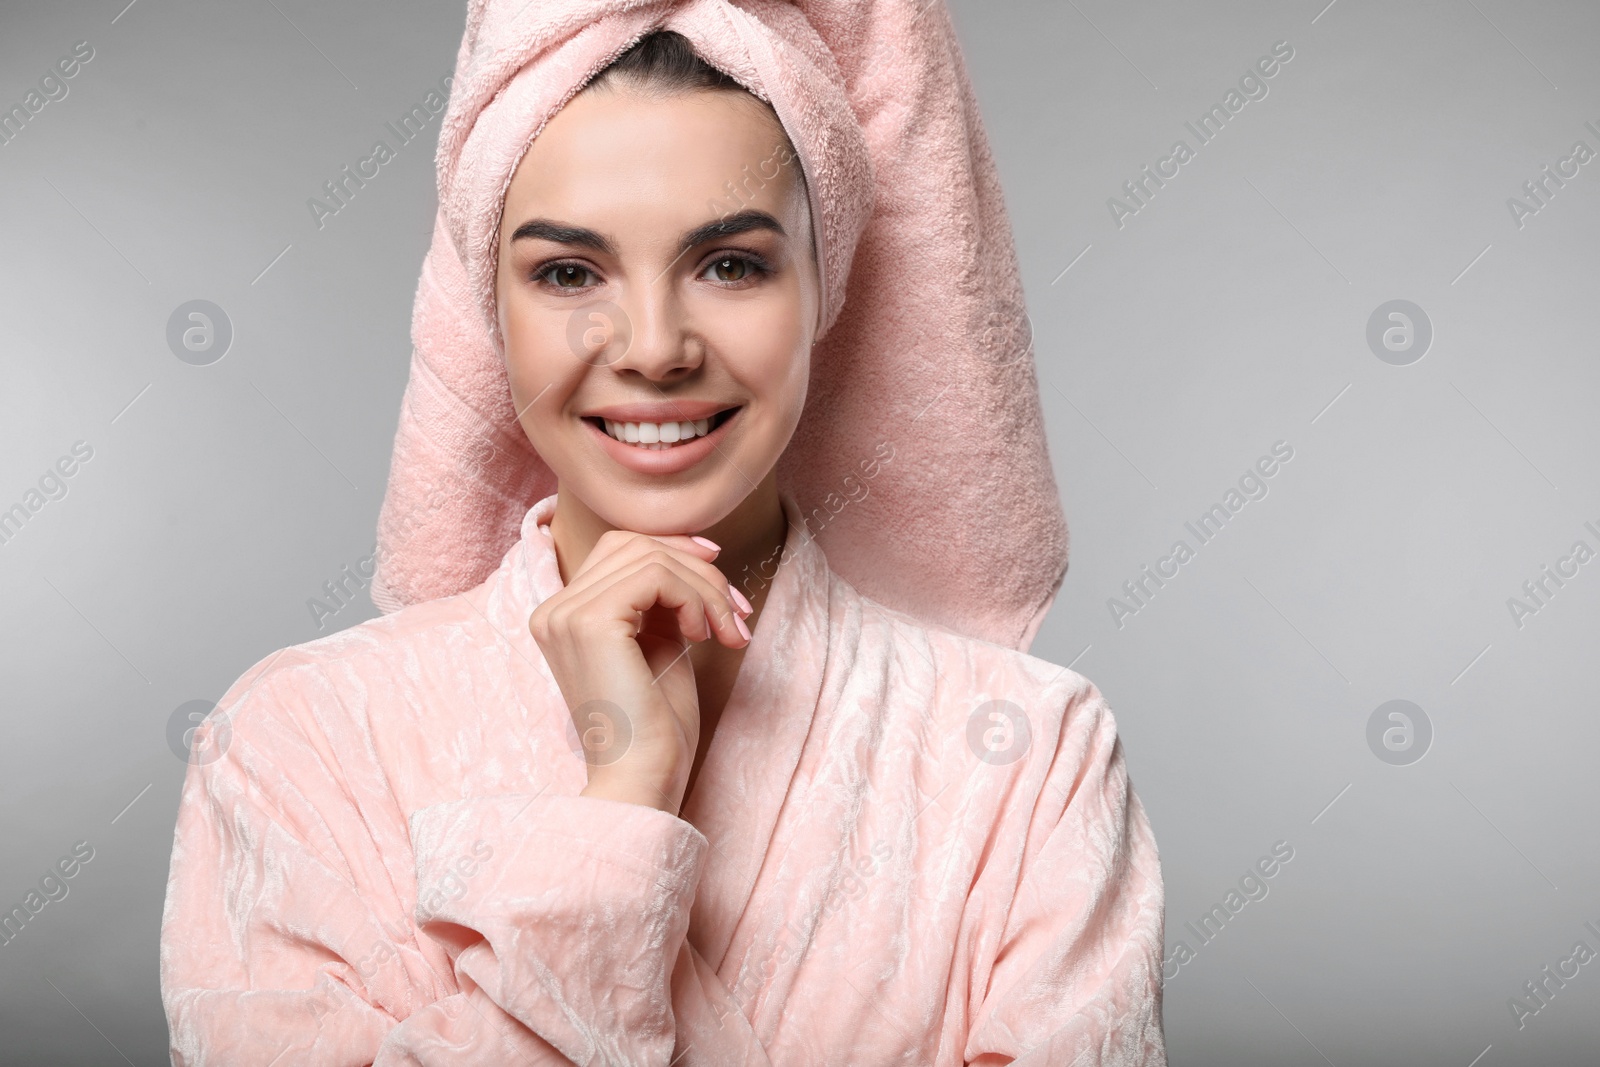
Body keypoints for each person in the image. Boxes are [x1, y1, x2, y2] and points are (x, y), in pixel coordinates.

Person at [160, 8, 1166, 1065]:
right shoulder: (297, 741)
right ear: (487, 309)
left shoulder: (1028, 752)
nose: (652, 349)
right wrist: (621, 797)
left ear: (827, 290)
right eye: (567, 273)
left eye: (730, 265)